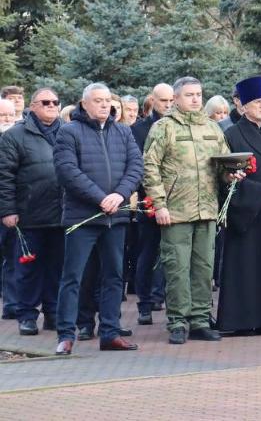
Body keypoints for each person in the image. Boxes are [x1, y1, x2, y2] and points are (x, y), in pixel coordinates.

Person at [143, 76, 241, 345]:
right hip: (175, 210)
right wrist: (159, 204)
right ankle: (177, 321)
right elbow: (150, 167)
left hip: (207, 208)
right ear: (176, 99)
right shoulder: (164, 128)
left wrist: (230, 175)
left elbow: (222, 165)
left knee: (203, 267)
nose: (196, 99)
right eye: (189, 95)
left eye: (198, 94)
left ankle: (199, 318)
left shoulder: (212, 128)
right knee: (176, 267)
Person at [52, 83, 144, 354]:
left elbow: (135, 166)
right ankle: (66, 335)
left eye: (107, 100)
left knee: (114, 276)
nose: (105, 105)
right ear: (84, 104)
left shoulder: (123, 132)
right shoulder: (68, 132)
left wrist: (120, 194)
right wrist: (100, 198)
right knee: (73, 276)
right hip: (83, 217)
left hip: (115, 218)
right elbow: (67, 171)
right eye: (98, 100)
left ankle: (110, 332)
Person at [217, 77, 261, 334]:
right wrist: (253, 190)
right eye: (257, 102)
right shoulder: (231, 134)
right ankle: (242, 320)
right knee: (245, 264)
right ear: (242, 105)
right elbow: (223, 173)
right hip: (246, 208)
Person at [0, 88, 65, 336]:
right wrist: (7, 210)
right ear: (33, 106)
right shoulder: (15, 136)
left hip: (61, 214)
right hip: (29, 215)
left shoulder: (67, 132)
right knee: (28, 269)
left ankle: (53, 313)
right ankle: (26, 315)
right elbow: (4, 177)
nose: (51, 105)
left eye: (55, 102)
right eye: (45, 102)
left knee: (57, 268)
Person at [130, 83, 174, 325]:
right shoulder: (139, 129)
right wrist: (150, 197)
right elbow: (139, 166)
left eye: (171, 100)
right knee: (148, 252)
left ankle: (172, 302)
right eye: (163, 100)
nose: (167, 105)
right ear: (152, 101)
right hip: (149, 201)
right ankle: (144, 303)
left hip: (178, 200)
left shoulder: (180, 125)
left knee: (176, 255)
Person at [0, 97, 20, 319]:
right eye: (2, 115)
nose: (6, 119)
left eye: (9, 115)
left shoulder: (16, 138)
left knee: (14, 256)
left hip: (12, 206)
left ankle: (13, 304)